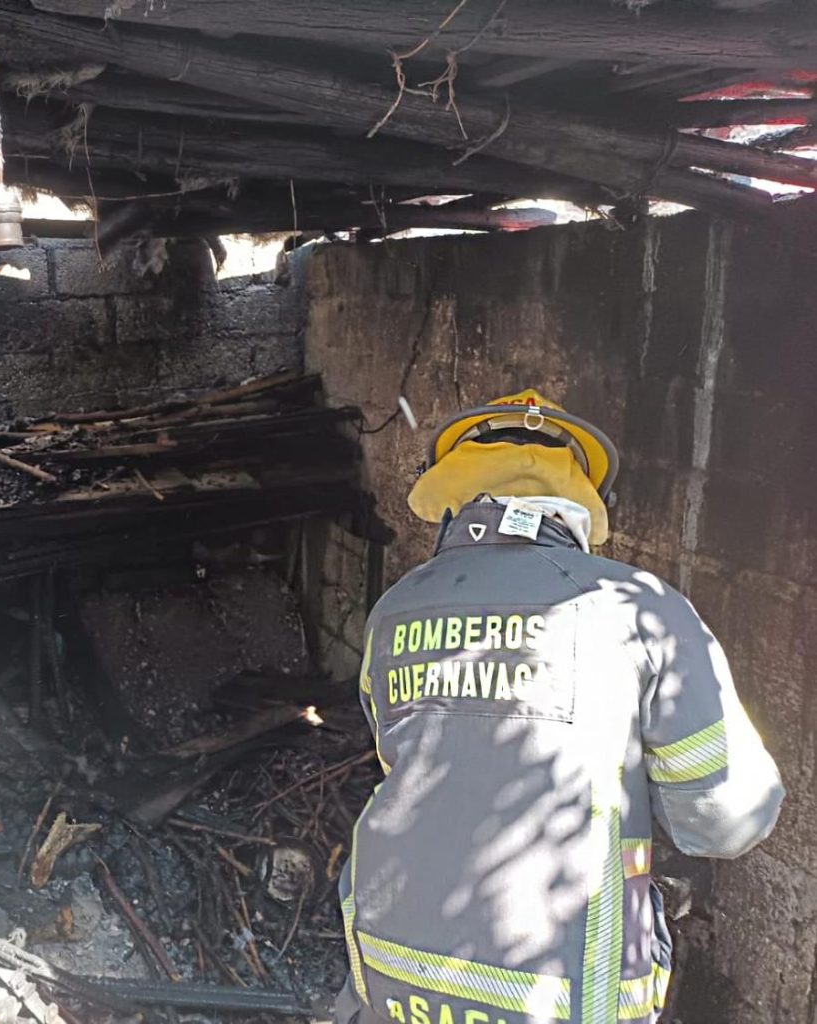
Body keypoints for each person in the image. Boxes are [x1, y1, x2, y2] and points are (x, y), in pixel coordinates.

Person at [334, 389, 784, 1024]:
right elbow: (727, 821)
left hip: (389, 976)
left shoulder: (395, 610)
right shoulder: (639, 608)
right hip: (565, 998)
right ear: (582, 505)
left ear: (451, 496)